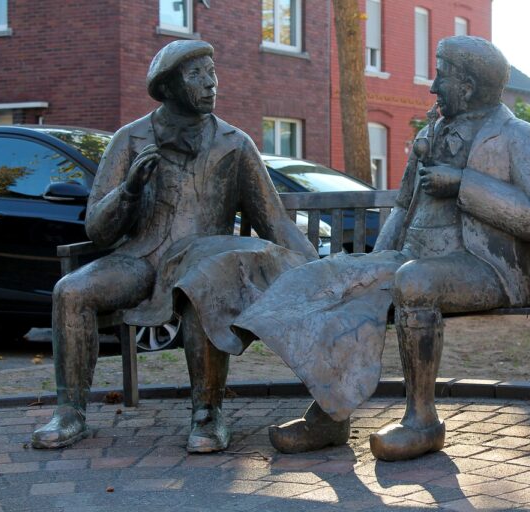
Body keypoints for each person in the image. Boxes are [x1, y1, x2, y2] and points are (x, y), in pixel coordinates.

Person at [233, 35, 530, 461]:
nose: (433, 86)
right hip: (413, 260)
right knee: (339, 278)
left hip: (488, 267)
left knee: (414, 281)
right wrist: (373, 262)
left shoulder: (519, 137)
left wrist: (463, 183)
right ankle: (330, 415)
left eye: (442, 75)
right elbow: (404, 206)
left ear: (468, 86)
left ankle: (422, 421)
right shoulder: (431, 133)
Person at [31, 40, 317, 452]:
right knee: (70, 292)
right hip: (140, 261)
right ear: (167, 87)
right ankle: (69, 412)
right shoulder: (130, 139)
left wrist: (314, 267)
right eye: (196, 74)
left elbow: (274, 221)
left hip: (203, 263)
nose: (210, 83)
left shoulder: (235, 144)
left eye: (212, 72)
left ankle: (207, 414)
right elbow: (98, 229)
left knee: (203, 290)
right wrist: (129, 191)